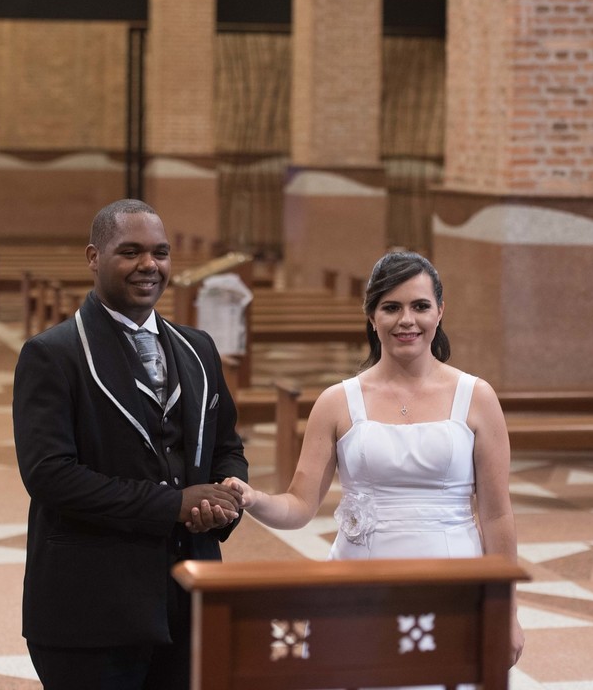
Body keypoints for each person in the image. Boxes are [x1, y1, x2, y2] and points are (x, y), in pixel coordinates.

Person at [224, 251, 525, 667]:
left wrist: (507, 610)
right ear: (371, 316)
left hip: (453, 579)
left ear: (440, 311)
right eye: (391, 307)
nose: (407, 320)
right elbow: (298, 506)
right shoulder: (336, 402)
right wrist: (254, 499)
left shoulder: (477, 397)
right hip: (360, 578)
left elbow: (496, 515)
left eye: (420, 306)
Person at [12, 198, 247, 690]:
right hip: (92, 605)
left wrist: (226, 495)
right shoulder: (53, 355)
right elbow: (51, 476)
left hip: (189, 594)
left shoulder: (198, 347)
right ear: (94, 258)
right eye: (131, 251)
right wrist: (174, 504)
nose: (149, 266)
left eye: (160, 252)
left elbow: (227, 443)